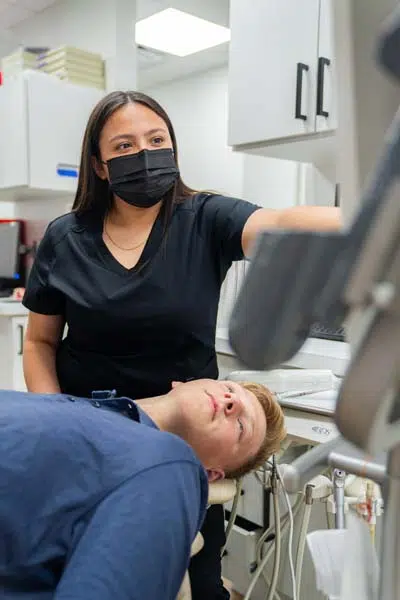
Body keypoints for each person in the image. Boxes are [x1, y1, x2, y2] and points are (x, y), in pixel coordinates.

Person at [22, 90, 341, 600]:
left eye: (157, 140)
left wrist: (372, 221)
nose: (144, 154)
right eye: (124, 145)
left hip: (186, 444)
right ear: (100, 166)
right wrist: (55, 421)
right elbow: (39, 342)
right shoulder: (65, 237)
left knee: (194, 575)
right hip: (89, 438)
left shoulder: (205, 219)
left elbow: (282, 226)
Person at [0, 378, 285, 600]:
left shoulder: (168, 465)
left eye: (241, 428)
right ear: (181, 384)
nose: (231, 402)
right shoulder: (85, 412)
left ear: (211, 473)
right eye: (228, 388)